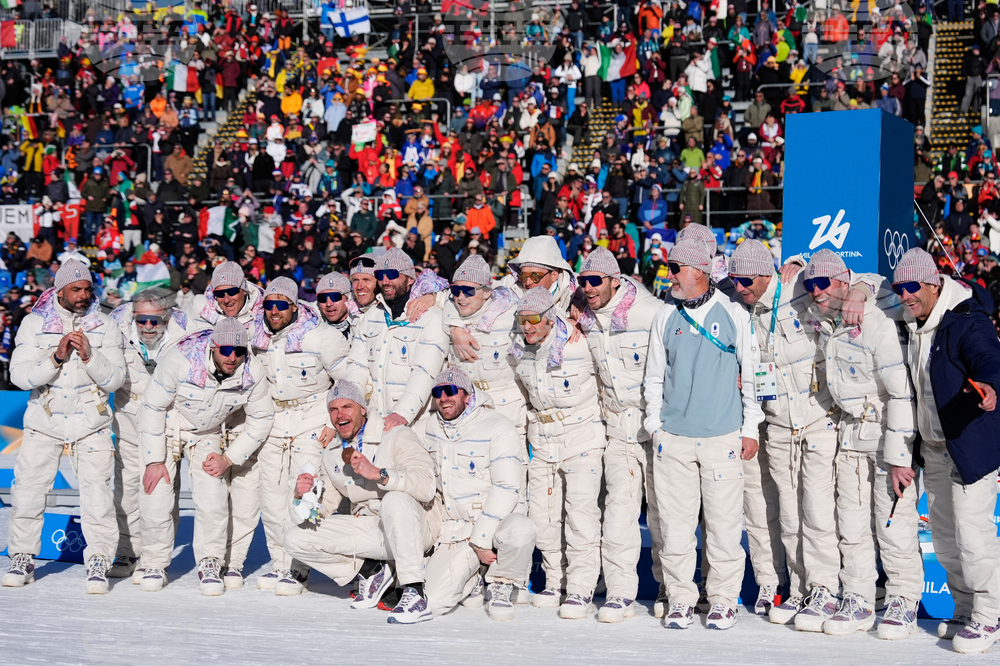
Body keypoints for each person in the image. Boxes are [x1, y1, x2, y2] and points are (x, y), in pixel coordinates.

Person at [643, 240, 763, 630]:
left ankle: (724, 599)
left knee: (724, 525)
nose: (670, 274)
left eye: (676, 267)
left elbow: (754, 377)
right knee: (676, 528)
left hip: (721, 437)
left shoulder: (733, 314)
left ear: (698, 270)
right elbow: (654, 377)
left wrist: (749, 429)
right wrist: (654, 426)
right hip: (673, 438)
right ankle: (680, 597)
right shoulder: (665, 315)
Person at [803, 249, 922, 638]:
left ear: (842, 281)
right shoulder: (823, 319)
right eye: (811, 284)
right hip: (850, 435)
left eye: (824, 283)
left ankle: (903, 598)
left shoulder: (875, 320)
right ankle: (858, 596)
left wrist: (902, 456)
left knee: (893, 523)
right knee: (850, 524)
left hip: (887, 434)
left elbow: (901, 394)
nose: (816, 291)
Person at [891, 248, 1000, 653]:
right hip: (934, 449)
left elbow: (988, 357)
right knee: (945, 538)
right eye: (899, 288)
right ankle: (965, 608)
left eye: (912, 287)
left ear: (934, 284)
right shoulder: (910, 321)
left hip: (968, 446)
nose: (905, 295)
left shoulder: (966, 321)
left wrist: (989, 384)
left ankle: (990, 615)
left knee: (973, 537)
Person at [3, 260, 126, 593]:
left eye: (87, 288)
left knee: (98, 497)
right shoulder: (34, 323)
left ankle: (99, 559)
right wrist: (55, 357)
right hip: (45, 420)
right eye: (76, 289)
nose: (84, 295)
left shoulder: (106, 325)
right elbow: (19, 376)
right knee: (27, 493)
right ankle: (22, 557)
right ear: (60, 291)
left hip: (92, 423)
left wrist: (90, 356)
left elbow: (116, 379)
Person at [228, 277, 349, 594]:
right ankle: (281, 563)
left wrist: (333, 422)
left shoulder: (322, 336)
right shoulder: (256, 335)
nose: (274, 311)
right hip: (274, 418)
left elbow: (348, 381)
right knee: (272, 494)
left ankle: (299, 568)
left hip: (312, 416)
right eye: (269, 305)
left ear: (295, 306)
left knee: (305, 492)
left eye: (281, 305)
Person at [136, 317, 272, 594]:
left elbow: (262, 418)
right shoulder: (181, 359)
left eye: (239, 351)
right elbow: (152, 407)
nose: (232, 357)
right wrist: (154, 460)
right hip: (168, 426)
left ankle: (210, 561)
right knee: (156, 497)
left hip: (207, 432)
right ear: (213, 347)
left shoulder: (251, 371)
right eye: (225, 350)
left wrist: (229, 458)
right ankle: (154, 562)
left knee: (214, 496)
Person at [284, 380, 438, 624]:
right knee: (295, 538)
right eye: (333, 409)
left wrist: (380, 474)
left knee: (394, 500)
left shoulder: (396, 434)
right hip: (374, 532)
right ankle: (371, 570)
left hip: (414, 528)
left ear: (363, 409)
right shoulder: (333, 452)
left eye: (347, 406)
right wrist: (302, 497)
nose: (339, 415)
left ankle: (414, 591)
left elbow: (427, 486)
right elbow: (320, 512)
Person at [575, 247, 665, 622]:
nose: (588, 287)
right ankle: (620, 591)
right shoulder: (583, 314)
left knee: (664, 516)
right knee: (619, 513)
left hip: (657, 428)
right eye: (584, 281)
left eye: (596, 280)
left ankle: (671, 587)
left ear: (615, 280)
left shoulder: (650, 312)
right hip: (618, 430)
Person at [511, 287, 605, 619]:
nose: (528, 326)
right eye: (523, 320)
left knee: (580, 517)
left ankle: (580, 588)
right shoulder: (519, 352)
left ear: (551, 318)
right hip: (543, 440)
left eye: (535, 319)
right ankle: (555, 580)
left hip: (582, 437)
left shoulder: (580, 344)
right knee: (543, 516)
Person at [422, 367, 535, 620]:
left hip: (495, 524)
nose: (443, 397)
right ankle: (472, 579)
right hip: (457, 527)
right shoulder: (430, 427)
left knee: (521, 529)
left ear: (468, 395)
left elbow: (507, 487)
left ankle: (501, 582)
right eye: (437, 392)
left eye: (451, 391)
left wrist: (481, 540)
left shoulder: (498, 426)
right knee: (433, 601)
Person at [107, 288, 191, 582]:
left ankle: (156, 559)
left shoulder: (186, 332)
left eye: (154, 321)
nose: (147, 327)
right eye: (141, 320)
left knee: (160, 493)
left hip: (168, 422)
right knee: (126, 491)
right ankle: (128, 550)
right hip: (128, 420)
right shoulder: (115, 328)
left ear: (166, 317)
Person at [344, 248, 448, 445]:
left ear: (410, 279)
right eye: (380, 276)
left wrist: (402, 413)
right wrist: (353, 408)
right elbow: (357, 367)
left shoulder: (430, 317)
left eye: (392, 275)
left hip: (416, 421)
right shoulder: (372, 317)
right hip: (376, 422)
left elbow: (424, 371)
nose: (385, 281)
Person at [443, 255, 528, 442]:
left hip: (507, 413)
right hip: (468, 415)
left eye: (468, 291)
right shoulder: (449, 311)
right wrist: (455, 328)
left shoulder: (512, 315)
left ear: (487, 292)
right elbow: (429, 291)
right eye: (456, 290)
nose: (460, 297)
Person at [189, 261, 265, 342]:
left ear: (244, 290)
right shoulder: (199, 306)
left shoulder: (265, 316)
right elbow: (175, 340)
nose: (226, 300)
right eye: (219, 293)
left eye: (232, 291)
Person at [314, 271, 356, 338]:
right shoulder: (312, 330)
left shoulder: (360, 327)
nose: (328, 304)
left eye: (335, 297)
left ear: (348, 298)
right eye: (322, 298)